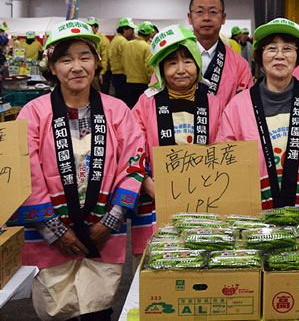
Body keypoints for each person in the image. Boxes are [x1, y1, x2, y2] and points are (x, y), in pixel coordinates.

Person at [10, 20, 145, 321]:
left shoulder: (117, 110)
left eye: (85, 57)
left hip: (104, 232)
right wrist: (54, 230)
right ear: (52, 66)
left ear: (97, 63)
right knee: (56, 309)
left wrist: (110, 221)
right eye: (65, 59)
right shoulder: (33, 112)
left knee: (98, 307)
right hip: (51, 236)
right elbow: (24, 170)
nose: (77, 66)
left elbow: (134, 164)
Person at [131, 24, 224, 265]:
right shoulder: (145, 104)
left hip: (206, 199)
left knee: (200, 265)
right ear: (161, 68)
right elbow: (131, 149)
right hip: (155, 198)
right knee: (156, 270)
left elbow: (226, 147)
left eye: (188, 61)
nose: (181, 70)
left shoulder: (213, 103)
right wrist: (146, 183)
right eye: (172, 63)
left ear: (198, 64)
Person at [217, 18, 299, 211]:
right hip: (255, 214)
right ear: (259, 56)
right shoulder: (238, 106)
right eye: (271, 48)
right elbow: (224, 157)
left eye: (287, 49)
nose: (279, 56)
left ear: (297, 56)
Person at [187, 0, 253, 105]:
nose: (206, 17)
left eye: (213, 12)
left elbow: (245, 108)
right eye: (199, 12)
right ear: (189, 17)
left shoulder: (240, 65)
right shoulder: (170, 59)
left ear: (223, 18)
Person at [122, 21, 155, 108]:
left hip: (128, 81)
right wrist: (152, 82)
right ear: (150, 34)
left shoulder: (127, 44)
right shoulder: (146, 47)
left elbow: (123, 61)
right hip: (142, 83)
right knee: (141, 109)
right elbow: (149, 67)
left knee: (130, 108)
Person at [109, 17, 137, 101]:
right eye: (132, 29)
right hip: (122, 75)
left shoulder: (116, 39)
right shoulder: (122, 42)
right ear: (125, 29)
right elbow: (128, 59)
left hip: (116, 74)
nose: (133, 32)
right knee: (124, 100)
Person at [87, 17, 111, 93]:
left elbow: (105, 57)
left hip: (99, 72)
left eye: (91, 26)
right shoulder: (86, 38)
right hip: (89, 71)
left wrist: (102, 73)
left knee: (99, 92)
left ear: (96, 28)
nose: (89, 28)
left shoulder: (103, 40)